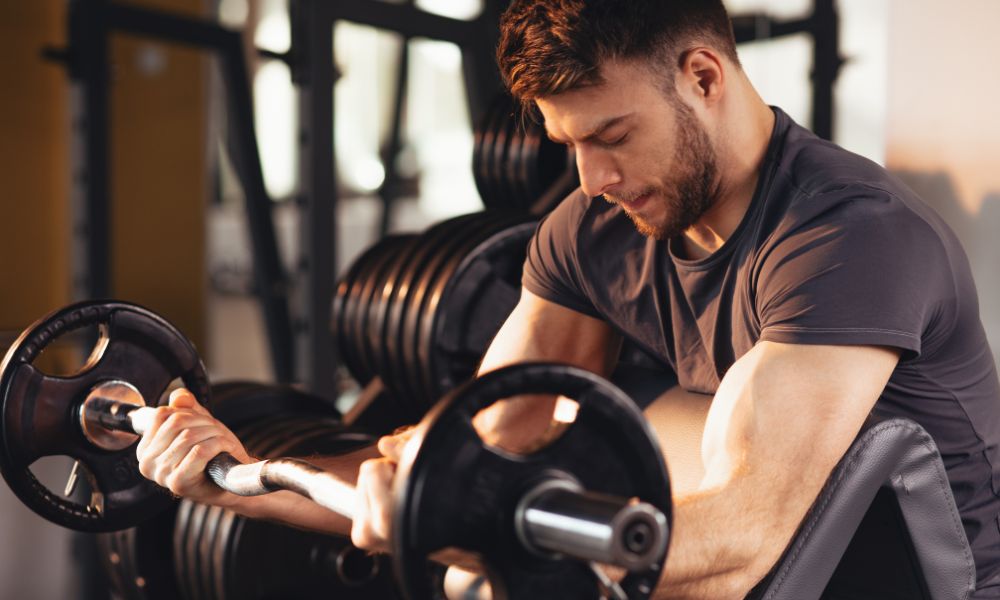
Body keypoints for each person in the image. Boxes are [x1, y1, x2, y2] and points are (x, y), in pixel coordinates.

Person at [136, 0, 1000, 597]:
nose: (592, 178)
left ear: (703, 76)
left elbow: (738, 545)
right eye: (569, 143)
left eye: (613, 135)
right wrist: (242, 479)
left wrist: (486, 534)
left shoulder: (850, 236)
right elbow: (469, 452)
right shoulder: (594, 227)